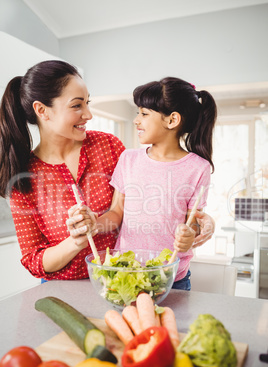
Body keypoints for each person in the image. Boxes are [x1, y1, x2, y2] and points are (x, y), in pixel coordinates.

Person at [0, 62, 215, 282]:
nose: (89, 114)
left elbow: (154, 202)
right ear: (42, 110)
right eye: (76, 106)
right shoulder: (22, 177)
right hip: (63, 290)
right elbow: (33, 260)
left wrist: (204, 224)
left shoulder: (108, 146)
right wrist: (76, 240)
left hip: (126, 279)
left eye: (87, 103)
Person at [87, 77, 217, 290]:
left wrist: (189, 236)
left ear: (172, 120)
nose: (136, 120)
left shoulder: (198, 168)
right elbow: (116, 213)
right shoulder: (128, 159)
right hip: (127, 272)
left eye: (144, 114)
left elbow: (192, 220)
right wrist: (95, 225)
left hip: (171, 278)